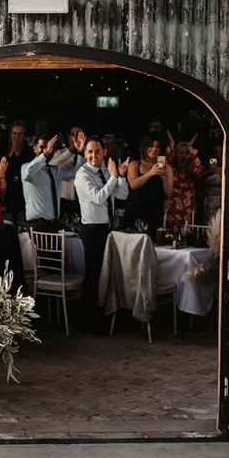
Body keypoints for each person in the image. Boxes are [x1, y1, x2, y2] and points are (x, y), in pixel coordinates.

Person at [75, 139, 130, 331]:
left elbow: (122, 195)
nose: (93, 155)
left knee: (104, 273)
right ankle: (89, 321)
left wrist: (121, 176)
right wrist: (114, 177)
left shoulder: (106, 171)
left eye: (97, 152)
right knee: (93, 274)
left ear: (104, 152)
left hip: (105, 228)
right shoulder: (82, 175)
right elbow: (99, 198)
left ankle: (103, 317)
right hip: (91, 230)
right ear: (85, 154)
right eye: (90, 152)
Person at [21, 135, 75, 231]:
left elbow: (74, 173)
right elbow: (29, 172)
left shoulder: (55, 170)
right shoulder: (26, 167)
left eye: (49, 148)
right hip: (37, 224)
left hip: (54, 223)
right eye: (42, 147)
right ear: (35, 149)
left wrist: (78, 152)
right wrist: (44, 155)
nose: (47, 150)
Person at [123, 135, 174, 239]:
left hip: (155, 212)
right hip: (135, 211)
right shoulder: (135, 164)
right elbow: (133, 185)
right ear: (145, 147)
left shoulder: (167, 167)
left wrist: (164, 178)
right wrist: (150, 173)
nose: (154, 149)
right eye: (151, 146)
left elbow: (169, 193)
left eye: (158, 147)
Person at [165, 141, 204, 234]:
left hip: (188, 207)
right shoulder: (170, 169)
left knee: (187, 232)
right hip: (173, 206)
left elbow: (199, 171)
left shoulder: (192, 170)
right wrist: (171, 148)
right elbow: (164, 163)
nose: (184, 156)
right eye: (181, 153)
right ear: (176, 154)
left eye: (187, 153)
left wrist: (193, 154)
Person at [3, 121, 34, 223]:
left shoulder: (30, 154)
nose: (17, 137)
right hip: (9, 201)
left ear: (24, 136)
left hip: (24, 202)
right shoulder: (5, 154)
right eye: (14, 134)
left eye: (20, 134)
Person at [60, 126, 86, 217]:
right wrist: (79, 154)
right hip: (64, 202)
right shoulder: (60, 154)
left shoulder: (89, 156)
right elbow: (70, 174)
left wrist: (81, 153)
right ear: (68, 138)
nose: (75, 138)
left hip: (82, 202)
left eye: (78, 135)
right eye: (72, 135)